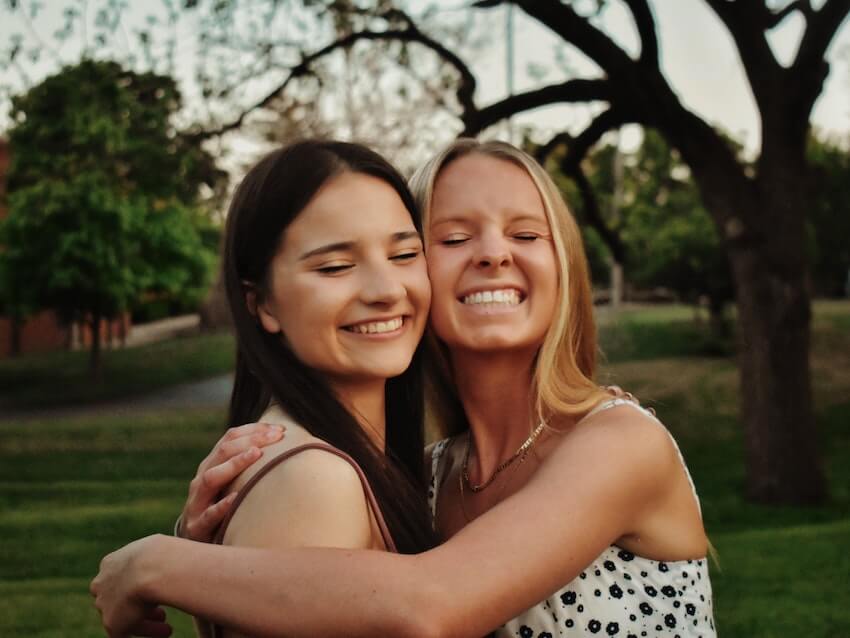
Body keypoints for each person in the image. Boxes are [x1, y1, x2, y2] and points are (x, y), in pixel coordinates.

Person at [92, 140, 715, 638]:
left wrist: (156, 564)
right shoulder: (424, 481)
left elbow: (430, 606)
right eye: (452, 238)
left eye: (527, 234)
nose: (495, 253)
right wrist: (197, 536)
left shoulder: (620, 442)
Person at [131, 139, 437, 638]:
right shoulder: (315, 480)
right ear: (262, 305)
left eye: (404, 253)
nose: (386, 290)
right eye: (335, 266)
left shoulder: (359, 459)